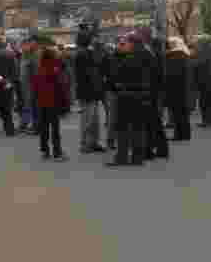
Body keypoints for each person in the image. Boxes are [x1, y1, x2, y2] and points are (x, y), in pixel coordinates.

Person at [107, 33, 154, 167]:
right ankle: (137, 157)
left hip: (127, 95)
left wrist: (118, 84)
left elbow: (116, 75)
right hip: (142, 95)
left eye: (125, 43)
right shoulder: (147, 55)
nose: (123, 45)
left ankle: (121, 157)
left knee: (122, 128)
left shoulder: (130, 59)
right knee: (139, 128)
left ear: (132, 44)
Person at [32, 44, 71, 161]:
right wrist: (65, 102)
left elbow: (35, 86)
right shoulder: (55, 68)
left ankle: (44, 150)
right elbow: (61, 86)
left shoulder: (39, 68)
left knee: (44, 127)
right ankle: (57, 152)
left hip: (41, 101)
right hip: (53, 101)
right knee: (55, 128)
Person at [74, 32, 106, 153]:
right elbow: (90, 74)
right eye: (92, 39)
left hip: (90, 91)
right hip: (88, 91)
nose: (94, 41)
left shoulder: (86, 53)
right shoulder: (83, 54)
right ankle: (86, 143)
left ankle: (92, 142)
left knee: (93, 119)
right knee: (89, 119)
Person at [164, 37, 194, 141]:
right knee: (183, 114)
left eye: (171, 43)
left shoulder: (174, 56)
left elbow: (171, 75)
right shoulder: (185, 55)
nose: (169, 45)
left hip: (176, 89)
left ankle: (179, 135)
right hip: (184, 88)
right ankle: (185, 134)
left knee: (178, 114)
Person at [193, 37, 211, 128]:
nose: (197, 44)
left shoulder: (203, 52)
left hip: (205, 80)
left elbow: (199, 64)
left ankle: (206, 120)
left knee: (205, 101)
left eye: (198, 42)